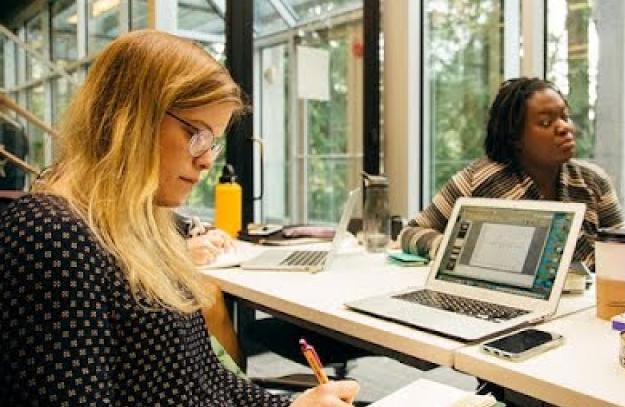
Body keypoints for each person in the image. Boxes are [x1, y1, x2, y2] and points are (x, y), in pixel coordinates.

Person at [0, 30, 358, 407]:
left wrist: (292, 406)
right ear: (129, 117)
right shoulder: (50, 235)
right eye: (195, 134)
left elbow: (206, 380)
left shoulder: (148, 227)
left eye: (212, 142)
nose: (206, 159)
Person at [401, 77, 625, 269]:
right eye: (546, 122)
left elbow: (623, 251)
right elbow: (411, 233)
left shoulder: (593, 181)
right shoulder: (477, 180)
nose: (564, 127)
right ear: (515, 137)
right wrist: (459, 251)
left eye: (565, 116)